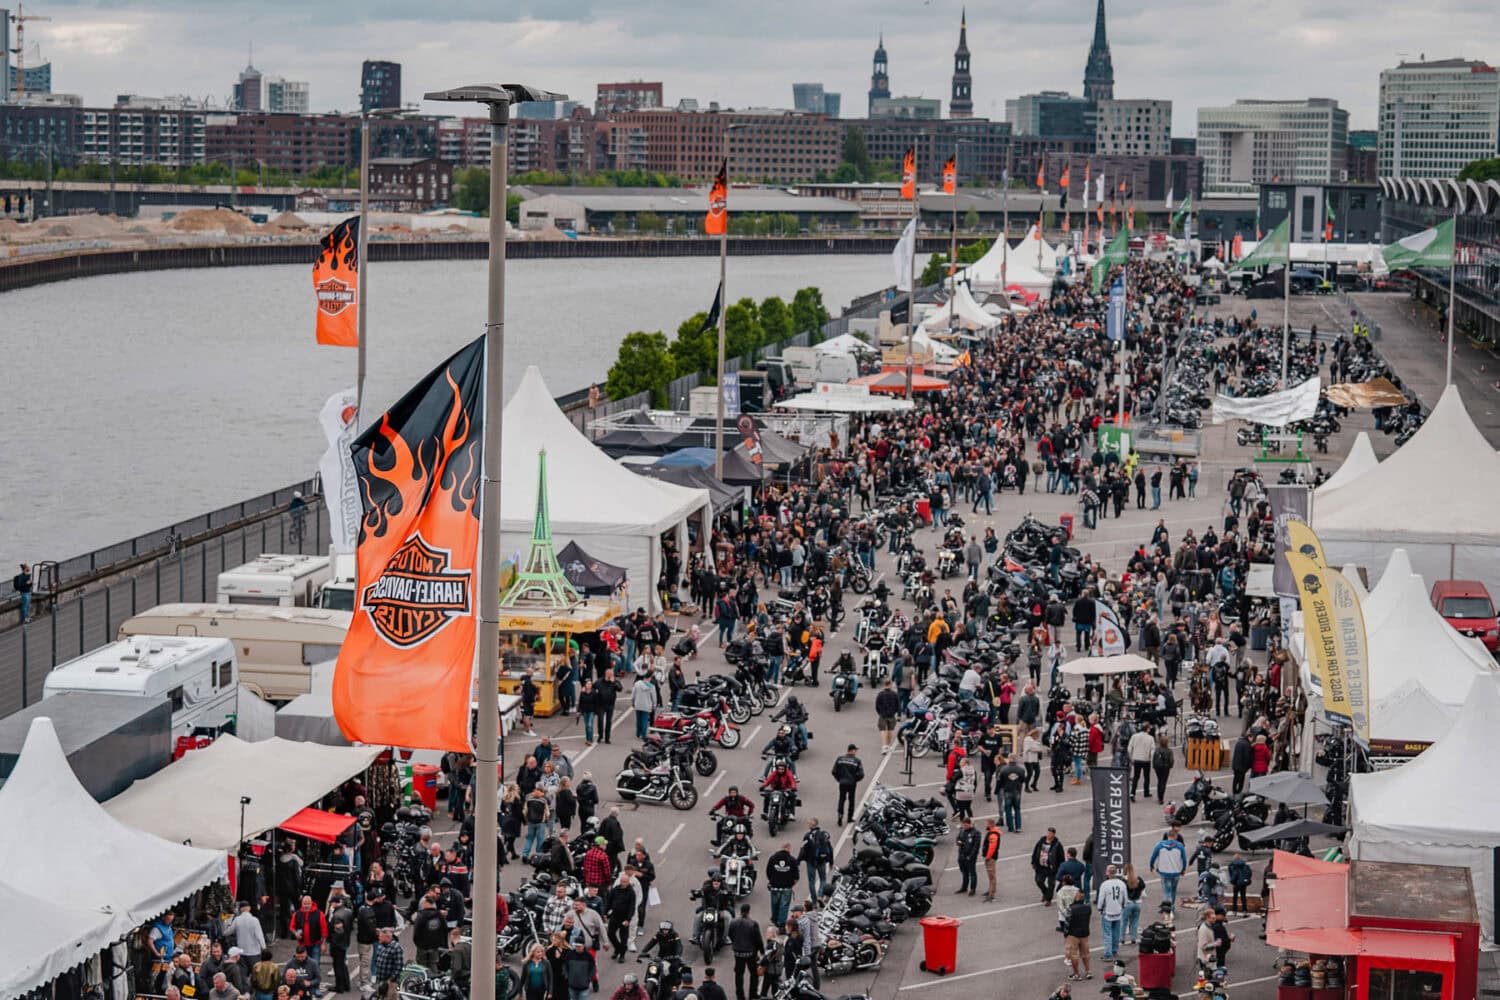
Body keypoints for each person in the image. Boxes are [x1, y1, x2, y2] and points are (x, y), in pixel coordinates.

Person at [726, 904, 764, 1000]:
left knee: (739, 974)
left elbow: (730, 935)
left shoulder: (733, 922)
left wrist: (735, 944)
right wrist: (762, 951)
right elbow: (758, 940)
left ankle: (740, 995)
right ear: (748, 911)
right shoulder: (753, 924)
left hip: (738, 952)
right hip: (750, 953)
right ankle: (752, 994)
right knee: (754, 974)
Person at [326, 882, 355, 994]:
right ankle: (346, 985)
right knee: (342, 965)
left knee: (338, 965)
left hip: (338, 944)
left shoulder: (337, 916)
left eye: (332, 902)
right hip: (345, 941)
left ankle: (340, 986)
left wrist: (333, 943)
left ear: (336, 903)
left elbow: (338, 932)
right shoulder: (348, 911)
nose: (331, 904)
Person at [1095, 864, 1128, 961]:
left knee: (1107, 933)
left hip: (1108, 912)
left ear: (1107, 872)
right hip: (1118, 912)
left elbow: (1101, 899)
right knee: (1116, 932)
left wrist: (1099, 908)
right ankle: (1114, 950)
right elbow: (1125, 898)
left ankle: (1108, 954)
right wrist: (1123, 906)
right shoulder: (1121, 883)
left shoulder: (1105, 885)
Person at [1149, 830, 1188, 909]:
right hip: (1176, 872)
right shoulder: (1180, 846)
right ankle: (1172, 907)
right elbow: (1184, 859)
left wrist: (1151, 866)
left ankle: (1167, 909)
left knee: (1167, 892)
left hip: (1164, 872)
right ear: (1176, 836)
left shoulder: (1160, 845)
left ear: (1167, 836)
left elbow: (1153, 857)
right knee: (1173, 890)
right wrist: (1183, 869)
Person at [765, 842, 799, 929]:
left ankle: (775, 919)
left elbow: (768, 872)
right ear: (789, 848)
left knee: (774, 904)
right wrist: (791, 884)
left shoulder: (773, 858)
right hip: (786, 887)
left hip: (775, 886)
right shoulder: (792, 860)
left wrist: (772, 881)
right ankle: (781, 924)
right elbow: (796, 876)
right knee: (784, 906)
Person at [797, 818, 834, 899]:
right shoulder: (823, 835)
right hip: (822, 861)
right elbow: (830, 848)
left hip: (811, 862)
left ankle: (814, 902)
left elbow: (802, 849)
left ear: (811, 825)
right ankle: (820, 895)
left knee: (811, 882)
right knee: (823, 879)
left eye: (809, 823)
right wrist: (831, 862)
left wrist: (798, 861)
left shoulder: (807, 835)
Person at [288, 895, 327, 967]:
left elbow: (324, 930)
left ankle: (316, 977)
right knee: (303, 965)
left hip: (316, 943)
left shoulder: (319, 914)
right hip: (303, 945)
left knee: (315, 964)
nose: (306, 906)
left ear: (311, 903)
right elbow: (291, 927)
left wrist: (323, 944)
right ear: (301, 904)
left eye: (308, 904)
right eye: (304, 904)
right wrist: (295, 933)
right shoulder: (297, 914)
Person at [831, 744, 865, 826]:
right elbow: (861, 774)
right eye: (855, 750)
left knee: (842, 799)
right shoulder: (857, 761)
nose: (856, 752)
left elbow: (834, 771)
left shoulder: (840, 759)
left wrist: (839, 779)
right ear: (852, 750)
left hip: (842, 782)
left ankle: (840, 816)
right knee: (851, 800)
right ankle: (849, 818)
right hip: (851, 783)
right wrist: (855, 780)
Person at [1064, 892, 1092, 981]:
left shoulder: (1071, 909)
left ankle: (1077, 974)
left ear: (1076, 898)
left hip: (1073, 934)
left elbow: (1067, 922)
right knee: (1086, 954)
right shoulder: (1088, 908)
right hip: (1084, 933)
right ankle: (1088, 972)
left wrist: (1066, 933)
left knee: (1074, 955)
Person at [1032, 827, 1064, 904]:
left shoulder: (1057, 845)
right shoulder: (1041, 841)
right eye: (1048, 833)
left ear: (1053, 834)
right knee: (1038, 881)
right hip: (1041, 866)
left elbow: (1061, 858)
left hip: (1051, 868)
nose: (1048, 834)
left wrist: (1060, 868)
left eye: (1050, 833)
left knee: (1051, 884)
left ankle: (1048, 899)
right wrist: (1033, 862)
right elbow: (1035, 851)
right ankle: (1046, 893)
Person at [997, 753, 1027, 832]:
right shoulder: (1021, 769)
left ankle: (1010, 827)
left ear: (1009, 759)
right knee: (1017, 809)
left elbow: (1000, 781)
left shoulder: (1003, 769)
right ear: (1016, 759)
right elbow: (1023, 780)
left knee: (1008, 809)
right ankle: (1018, 827)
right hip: (1017, 791)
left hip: (1007, 791)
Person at [1128, 724, 1156, 801]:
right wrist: (1152, 759)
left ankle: (1132, 793)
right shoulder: (1150, 738)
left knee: (1136, 777)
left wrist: (1131, 758)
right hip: (1146, 760)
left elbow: (1129, 748)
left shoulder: (1134, 736)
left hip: (1136, 759)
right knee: (1146, 777)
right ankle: (1146, 792)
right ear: (1147, 729)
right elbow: (1153, 750)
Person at [955, 817, 981, 897]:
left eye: (966, 825)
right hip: (961, 855)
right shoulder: (962, 830)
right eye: (964, 825)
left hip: (970, 857)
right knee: (964, 872)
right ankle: (964, 887)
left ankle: (973, 889)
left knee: (972, 873)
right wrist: (958, 843)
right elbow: (957, 839)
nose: (965, 827)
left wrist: (971, 856)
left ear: (970, 824)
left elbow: (976, 847)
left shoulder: (976, 833)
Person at [1122, 863, 1146, 944]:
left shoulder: (1123, 880)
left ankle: (1122, 938)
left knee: (1124, 921)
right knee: (1135, 921)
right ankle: (1133, 938)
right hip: (1137, 903)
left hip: (1128, 903)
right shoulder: (1138, 879)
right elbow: (1143, 887)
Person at [875, 679, 900, 754]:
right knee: (890, 729)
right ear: (890, 684)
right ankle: (888, 745)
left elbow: (877, 705)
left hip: (883, 714)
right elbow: (898, 705)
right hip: (891, 714)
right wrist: (895, 712)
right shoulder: (894, 694)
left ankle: (884, 746)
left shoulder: (880, 694)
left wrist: (880, 712)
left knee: (882, 730)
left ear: (884, 684)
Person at [632, 674, 659, 741]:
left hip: (638, 704)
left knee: (638, 719)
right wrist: (654, 705)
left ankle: (638, 733)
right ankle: (644, 735)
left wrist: (633, 702)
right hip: (646, 705)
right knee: (644, 720)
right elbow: (654, 697)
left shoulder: (637, 684)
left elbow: (633, 694)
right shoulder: (651, 686)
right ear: (649, 678)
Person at [1152, 733, 1174, 805]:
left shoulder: (1157, 750)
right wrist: (1170, 766)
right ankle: (1161, 797)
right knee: (1163, 782)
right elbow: (1171, 760)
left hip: (1158, 767)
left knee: (1159, 781)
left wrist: (1154, 766)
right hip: (1165, 767)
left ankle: (1159, 796)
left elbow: (1154, 758)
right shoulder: (1169, 751)